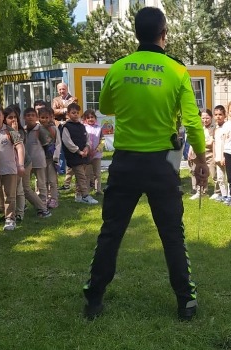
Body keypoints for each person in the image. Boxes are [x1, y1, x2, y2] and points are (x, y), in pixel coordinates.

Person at [82, 6, 208, 321]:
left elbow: (106, 106)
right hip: (161, 163)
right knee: (171, 233)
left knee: (111, 231)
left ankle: (94, 296)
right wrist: (202, 158)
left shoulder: (119, 67)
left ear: (136, 33)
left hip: (124, 162)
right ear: (164, 33)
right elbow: (192, 122)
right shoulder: (177, 70)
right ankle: (186, 300)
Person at [0, 103, 24, 231]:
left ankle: (10, 219)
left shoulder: (10, 131)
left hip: (9, 168)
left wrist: (20, 165)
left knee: (10, 195)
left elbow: (19, 147)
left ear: (3, 116)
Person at [61, 103, 98, 205]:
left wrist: (87, 147)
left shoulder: (81, 126)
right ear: (68, 114)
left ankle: (78, 196)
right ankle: (86, 196)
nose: (76, 114)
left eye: (77, 113)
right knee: (81, 176)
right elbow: (67, 142)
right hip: (74, 156)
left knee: (82, 176)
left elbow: (86, 138)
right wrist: (78, 151)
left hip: (83, 155)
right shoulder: (66, 127)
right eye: (73, 113)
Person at [38, 106, 61, 208]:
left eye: (47, 117)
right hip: (40, 159)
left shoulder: (54, 129)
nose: (45, 120)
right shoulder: (36, 129)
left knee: (52, 180)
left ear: (51, 117)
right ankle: (44, 198)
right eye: (42, 117)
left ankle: (54, 199)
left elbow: (58, 143)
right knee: (42, 180)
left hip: (51, 159)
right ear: (39, 118)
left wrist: (56, 157)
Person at [84, 109, 105, 195]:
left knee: (97, 173)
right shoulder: (83, 128)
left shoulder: (99, 128)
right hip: (87, 155)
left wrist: (97, 150)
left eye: (92, 117)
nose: (90, 119)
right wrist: (87, 150)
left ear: (95, 118)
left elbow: (102, 140)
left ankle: (98, 190)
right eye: (88, 118)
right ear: (85, 119)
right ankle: (87, 190)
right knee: (87, 174)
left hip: (97, 155)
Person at [212, 105, 229, 202]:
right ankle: (224, 195)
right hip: (218, 157)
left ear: (224, 115)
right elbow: (214, 143)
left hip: (225, 156)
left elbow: (226, 144)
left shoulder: (226, 127)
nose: (218, 117)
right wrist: (214, 156)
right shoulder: (216, 128)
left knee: (229, 177)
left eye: (220, 114)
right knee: (220, 177)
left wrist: (224, 157)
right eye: (216, 115)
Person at [200, 109, 218, 199]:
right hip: (202, 154)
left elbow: (210, 143)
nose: (205, 120)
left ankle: (217, 191)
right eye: (203, 118)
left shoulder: (213, 128)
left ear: (211, 118)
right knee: (203, 174)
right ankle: (204, 191)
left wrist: (201, 142)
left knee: (214, 174)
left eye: (207, 118)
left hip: (211, 154)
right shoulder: (201, 129)